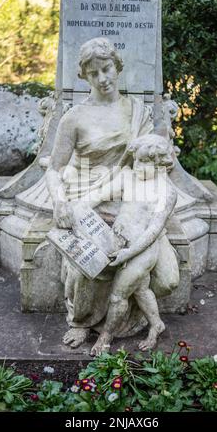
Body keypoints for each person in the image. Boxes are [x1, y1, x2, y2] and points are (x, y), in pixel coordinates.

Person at [45, 38, 154, 348]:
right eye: (94, 73)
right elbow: (54, 169)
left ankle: (118, 319)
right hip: (84, 200)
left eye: (106, 69)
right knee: (84, 264)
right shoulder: (74, 118)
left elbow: (149, 162)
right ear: (85, 76)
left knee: (130, 256)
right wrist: (60, 201)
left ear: (117, 67)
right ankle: (81, 319)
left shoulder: (136, 112)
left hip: (126, 199)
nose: (103, 78)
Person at [85, 134, 179, 356]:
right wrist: (78, 208)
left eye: (144, 162)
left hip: (142, 250)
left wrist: (128, 253)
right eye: (136, 160)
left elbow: (154, 230)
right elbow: (98, 195)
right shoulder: (129, 177)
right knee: (141, 289)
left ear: (160, 164)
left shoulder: (166, 192)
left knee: (119, 295)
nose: (138, 166)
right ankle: (156, 324)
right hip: (119, 242)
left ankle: (106, 336)